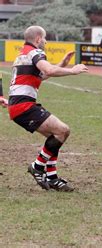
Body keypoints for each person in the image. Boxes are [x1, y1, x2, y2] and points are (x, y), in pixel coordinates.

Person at [8, 26, 88, 191]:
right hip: (24, 106)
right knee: (63, 130)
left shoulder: (23, 53)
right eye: (44, 38)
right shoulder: (35, 53)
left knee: (55, 138)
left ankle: (52, 178)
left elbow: (42, 75)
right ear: (38, 39)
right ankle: (37, 167)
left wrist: (61, 64)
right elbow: (48, 69)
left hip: (19, 105)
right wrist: (72, 70)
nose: (45, 41)